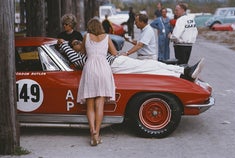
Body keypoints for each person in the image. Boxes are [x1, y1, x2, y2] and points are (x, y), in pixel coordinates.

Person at [57, 38, 204, 82]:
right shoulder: (80, 57)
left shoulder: (88, 52)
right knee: (150, 69)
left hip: (116, 61)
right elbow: (74, 58)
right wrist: (64, 44)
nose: (78, 44)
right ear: (72, 48)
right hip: (115, 66)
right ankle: (183, 74)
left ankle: (184, 70)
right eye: (75, 43)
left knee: (151, 64)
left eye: (78, 42)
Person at [77, 18, 117, 146]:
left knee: (90, 103)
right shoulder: (107, 37)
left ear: (89, 27)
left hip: (90, 68)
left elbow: (82, 51)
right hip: (103, 68)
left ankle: (92, 130)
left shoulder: (86, 36)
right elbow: (114, 53)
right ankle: (97, 134)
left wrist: (75, 45)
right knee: (100, 103)